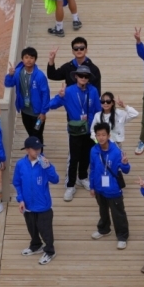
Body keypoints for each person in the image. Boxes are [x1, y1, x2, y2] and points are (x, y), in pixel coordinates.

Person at [45, 66, 101, 201]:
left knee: (86, 155)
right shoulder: (68, 91)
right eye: (81, 75)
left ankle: (82, 177)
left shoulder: (93, 90)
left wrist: (98, 128)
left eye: (86, 76)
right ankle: (70, 185)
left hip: (90, 129)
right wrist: (60, 96)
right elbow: (50, 105)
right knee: (74, 158)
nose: (83, 78)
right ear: (76, 76)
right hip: (75, 131)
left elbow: (98, 110)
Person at [12, 136, 59, 265]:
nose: (38, 151)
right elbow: (17, 183)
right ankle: (36, 245)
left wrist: (48, 167)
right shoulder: (20, 164)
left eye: (40, 148)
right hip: (28, 205)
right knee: (32, 228)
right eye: (35, 149)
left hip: (43, 205)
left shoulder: (44, 164)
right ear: (27, 150)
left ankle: (50, 251)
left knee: (46, 230)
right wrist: (20, 200)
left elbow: (55, 180)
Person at [88, 122, 130, 249]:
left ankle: (122, 236)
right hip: (99, 188)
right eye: (98, 135)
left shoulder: (116, 152)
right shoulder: (94, 150)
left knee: (118, 213)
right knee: (103, 210)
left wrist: (125, 163)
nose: (101, 137)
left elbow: (126, 170)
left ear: (108, 136)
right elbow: (92, 169)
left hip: (113, 189)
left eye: (103, 135)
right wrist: (92, 186)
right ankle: (104, 229)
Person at [4, 47, 50, 143]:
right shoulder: (18, 72)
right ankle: (33, 150)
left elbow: (46, 94)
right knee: (30, 134)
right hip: (25, 111)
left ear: (35, 59)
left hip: (37, 113)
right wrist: (10, 75)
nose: (29, 60)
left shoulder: (40, 76)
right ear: (22, 59)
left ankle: (39, 151)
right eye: (26, 57)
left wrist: (43, 112)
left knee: (37, 134)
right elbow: (8, 84)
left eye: (31, 58)